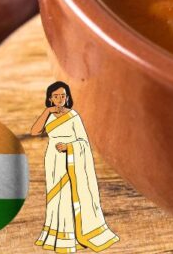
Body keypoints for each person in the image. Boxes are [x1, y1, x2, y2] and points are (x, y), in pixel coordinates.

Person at [30, 81, 119, 252]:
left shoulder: (73, 116)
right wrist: (47, 111)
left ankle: (75, 236)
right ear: (50, 98)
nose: (59, 99)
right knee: (56, 197)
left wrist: (69, 147)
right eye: (56, 96)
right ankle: (57, 235)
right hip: (54, 160)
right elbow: (35, 131)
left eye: (63, 95)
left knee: (71, 194)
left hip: (72, 159)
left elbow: (83, 142)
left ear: (68, 97)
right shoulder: (48, 115)